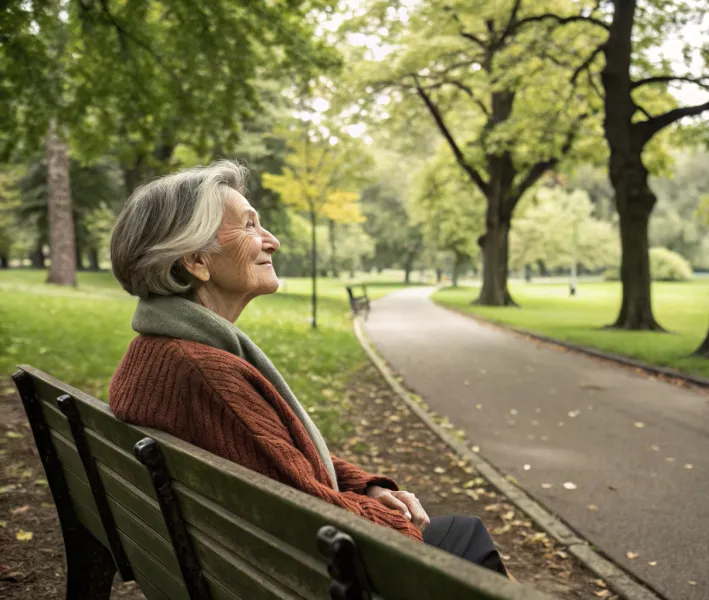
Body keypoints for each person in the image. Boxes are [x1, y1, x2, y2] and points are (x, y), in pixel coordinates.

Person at [108, 160, 509, 577]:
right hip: (298, 575)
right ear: (196, 260)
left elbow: (275, 454)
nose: (272, 240)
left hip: (230, 565)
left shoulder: (159, 351)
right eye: (249, 226)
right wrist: (400, 527)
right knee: (466, 537)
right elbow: (310, 511)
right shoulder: (203, 371)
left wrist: (363, 485)